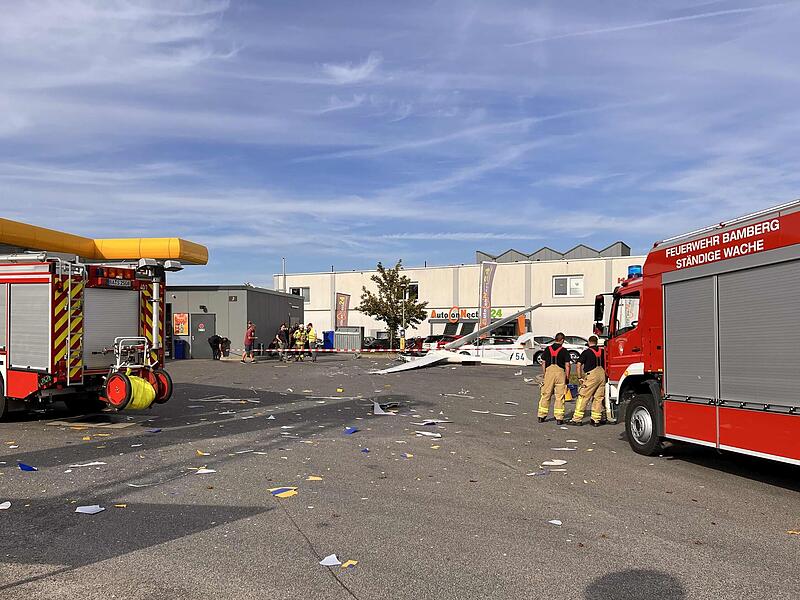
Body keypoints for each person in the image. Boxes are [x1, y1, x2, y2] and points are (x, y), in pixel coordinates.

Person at [568, 335, 607, 427]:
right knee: (599, 398)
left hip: (591, 375)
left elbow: (578, 364)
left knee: (583, 396)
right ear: (596, 342)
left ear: (589, 342)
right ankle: (596, 420)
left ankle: (577, 419)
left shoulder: (586, 352)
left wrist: (579, 377)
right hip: (602, 375)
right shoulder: (602, 351)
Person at [538, 332, 571, 424]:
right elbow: (567, 365)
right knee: (559, 396)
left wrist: (545, 374)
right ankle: (559, 418)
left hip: (549, 372)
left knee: (546, 394)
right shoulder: (564, 351)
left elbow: (543, 362)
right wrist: (567, 378)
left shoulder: (548, 349)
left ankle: (541, 416)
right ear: (562, 340)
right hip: (560, 373)